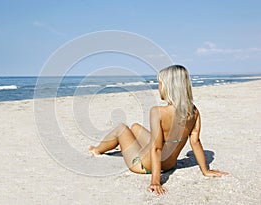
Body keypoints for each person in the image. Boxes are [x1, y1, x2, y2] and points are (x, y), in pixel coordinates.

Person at [89, 65, 229, 195]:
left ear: (169, 88)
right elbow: (196, 142)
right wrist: (205, 170)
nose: (158, 86)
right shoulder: (193, 111)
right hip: (169, 164)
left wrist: (155, 181)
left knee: (121, 129)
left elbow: (156, 149)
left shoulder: (158, 112)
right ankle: (123, 145)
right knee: (135, 127)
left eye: (160, 83)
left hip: (143, 166)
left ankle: (97, 150)